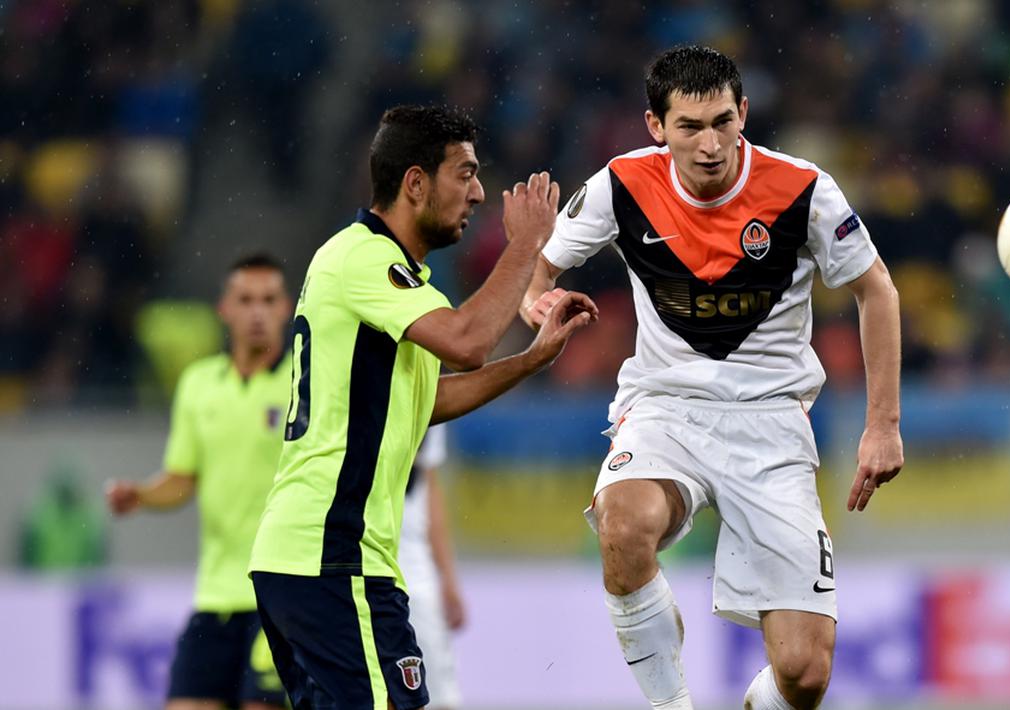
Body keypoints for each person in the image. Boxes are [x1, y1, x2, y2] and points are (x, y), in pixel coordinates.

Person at [520, 46, 904, 710]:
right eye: (690, 127)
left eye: (723, 122)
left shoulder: (802, 189)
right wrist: (535, 301)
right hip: (666, 409)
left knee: (804, 675)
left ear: (743, 113)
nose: (709, 144)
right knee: (622, 524)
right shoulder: (621, 185)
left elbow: (877, 290)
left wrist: (883, 424)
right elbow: (540, 271)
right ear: (655, 126)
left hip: (771, 424)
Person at [247, 104, 596, 710]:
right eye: (465, 174)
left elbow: (426, 400)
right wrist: (526, 244)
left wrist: (530, 360)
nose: (478, 193)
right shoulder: (363, 258)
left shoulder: (399, 283)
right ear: (415, 183)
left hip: (324, 560)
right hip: (333, 556)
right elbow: (468, 342)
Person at [106, 253, 292, 710]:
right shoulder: (198, 384)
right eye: (245, 300)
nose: (257, 313)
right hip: (215, 595)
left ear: (286, 308)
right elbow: (182, 478)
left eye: (268, 300)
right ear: (223, 310)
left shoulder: (304, 383)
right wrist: (141, 495)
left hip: (281, 596)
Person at [399, 425, 465, 709]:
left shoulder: (430, 401)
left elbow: (429, 485)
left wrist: (448, 578)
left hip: (412, 563)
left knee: (438, 693)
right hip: (355, 556)